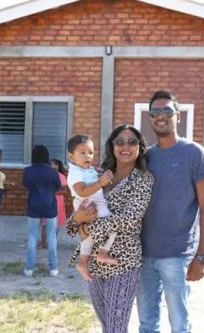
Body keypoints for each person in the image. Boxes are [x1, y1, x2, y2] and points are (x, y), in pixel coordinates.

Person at [137, 90, 204, 333]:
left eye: (167, 111)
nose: (161, 116)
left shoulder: (194, 153)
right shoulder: (146, 157)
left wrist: (202, 255)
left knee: (179, 323)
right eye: (155, 112)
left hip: (177, 254)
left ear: (178, 117)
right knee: (147, 323)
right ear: (150, 118)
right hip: (144, 255)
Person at [67, 124, 154, 332]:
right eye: (120, 142)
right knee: (107, 326)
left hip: (122, 262)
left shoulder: (143, 179)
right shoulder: (94, 174)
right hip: (93, 265)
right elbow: (72, 223)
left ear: (139, 147)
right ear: (111, 146)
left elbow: (130, 219)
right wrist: (77, 219)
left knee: (116, 327)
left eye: (132, 141)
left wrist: (87, 229)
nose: (126, 146)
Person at [66, 134, 117, 281]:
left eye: (90, 152)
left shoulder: (89, 170)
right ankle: (103, 252)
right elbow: (81, 191)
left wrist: (105, 178)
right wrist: (101, 183)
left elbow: (98, 181)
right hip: (91, 205)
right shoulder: (75, 173)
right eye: (82, 153)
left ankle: (82, 263)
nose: (87, 156)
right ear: (71, 156)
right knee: (114, 225)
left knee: (87, 237)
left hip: (94, 203)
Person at [22, 145, 61, 277]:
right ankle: (53, 268)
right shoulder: (53, 171)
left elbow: (26, 185)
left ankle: (29, 268)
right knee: (51, 237)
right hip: (50, 206)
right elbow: (58, 187)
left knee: (32, 236)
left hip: (33, 205)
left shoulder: (28, 171)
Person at [38, 159, 68, 249]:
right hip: (46, 201)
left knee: (56, 223)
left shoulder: (61, 176)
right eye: (50, 164)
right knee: (44, 222)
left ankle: (52, 241)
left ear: (57, 166)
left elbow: (64, 191)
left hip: (57, 201)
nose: (51, 166)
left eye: (53, 164)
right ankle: (43, 242)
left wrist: (52, 192)